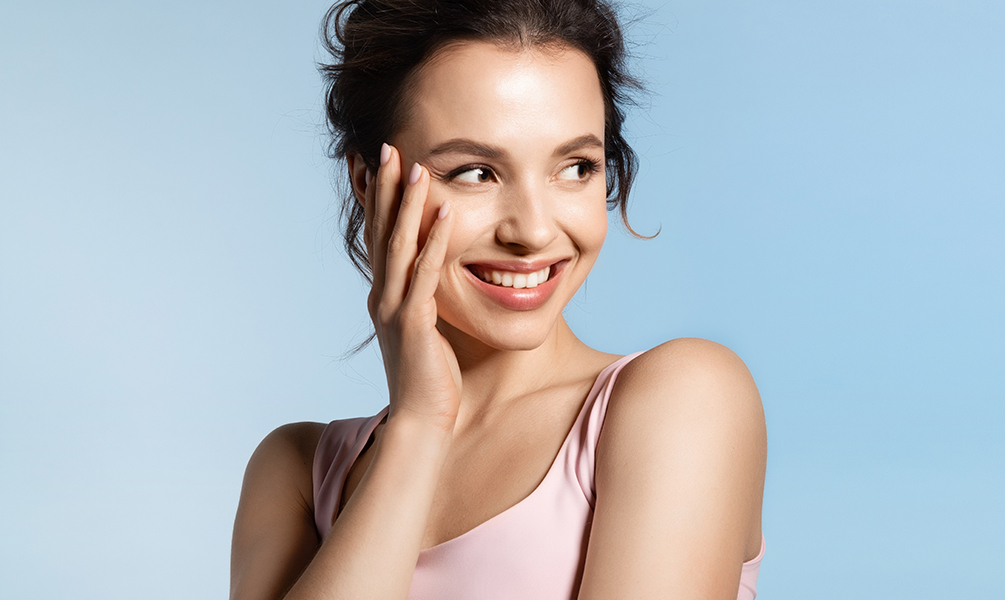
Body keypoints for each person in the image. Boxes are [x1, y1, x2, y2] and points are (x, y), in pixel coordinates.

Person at [229, 1, 767, 598]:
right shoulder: (298, 473)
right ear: (367, 183)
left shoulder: (682, 399)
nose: (533, 231)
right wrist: (418, 426)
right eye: (475, 173)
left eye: (577, 166)